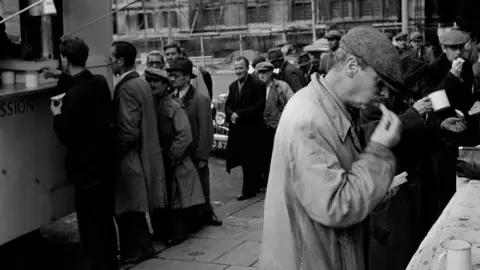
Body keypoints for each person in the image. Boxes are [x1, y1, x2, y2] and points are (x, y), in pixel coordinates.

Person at [259, 26, 403, 270]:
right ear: (351, 66)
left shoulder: (328, 107)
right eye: (379, 83)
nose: (384, 94)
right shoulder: (309, 120)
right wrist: (378, 151)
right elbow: (336, 206)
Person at [50, 36, 118, 270]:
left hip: (85, 166)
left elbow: (65, 136)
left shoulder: (72, 98)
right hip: (105, 160)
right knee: (104, 217)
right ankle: (110, 261)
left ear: (65, 59)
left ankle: (97, 264)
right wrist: (61, 77)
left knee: (89, 222)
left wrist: (57, 114)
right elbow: (79, 85)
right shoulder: (98, 82)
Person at [108, 41, 166, 264]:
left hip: (129, 157)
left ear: (121, 62)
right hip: (143, 153)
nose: (109, 63)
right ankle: (142, 248)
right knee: (134, 205)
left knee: (127, 206)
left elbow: (128, 129)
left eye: (111, 59)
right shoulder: (140, 83)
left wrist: (115, 152)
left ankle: (137, 250)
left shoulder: (126, 88)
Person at [144, 67, 205, 246]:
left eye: (156, 81)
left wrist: (171, 157)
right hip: (158, 159)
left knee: (175, 200)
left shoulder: (173, 106)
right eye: (149, 80)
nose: (152, 84)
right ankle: (161, 231)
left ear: (165, 85)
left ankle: (178, 233)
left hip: (173, 161)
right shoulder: (150, 104)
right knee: (159, 198)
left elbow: (185, 135)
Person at [169, 57, 222, 233]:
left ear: (186, 77)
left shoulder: (199, 99)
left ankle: (207, 214)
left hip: (194, 152)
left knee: (201, 186)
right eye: (171, 76)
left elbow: (207, 129)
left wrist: (203, 156)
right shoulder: (171, 98)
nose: (173, 79)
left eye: (176, 76)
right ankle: (190, 218)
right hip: (180, 153)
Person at [225, 56, 266, 201]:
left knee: (250, 160)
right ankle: (256, 184)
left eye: (241, 68)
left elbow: (259, 106)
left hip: (252, 129)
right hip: (239, 131)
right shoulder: (233, 86)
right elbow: (228, 105)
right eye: (236, 68)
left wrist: (239, 114)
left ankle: (248, 191)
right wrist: (231, 114)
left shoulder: (258, 85)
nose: (238, 71)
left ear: (247, 68)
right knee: (245, 160)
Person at [255, 61, 293, 183]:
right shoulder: (255, 87)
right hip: (260, 127)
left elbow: (292, 104)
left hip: (278, 127)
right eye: (259, 73)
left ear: (271, 73)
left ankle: (280, 180)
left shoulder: (282, 86)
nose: (261, 76)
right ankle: (266, 181)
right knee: (262, 155)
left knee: (278, 155)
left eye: (264, 73)